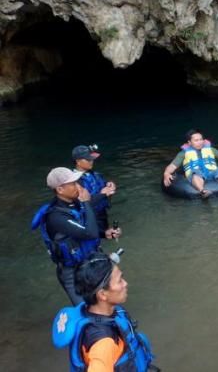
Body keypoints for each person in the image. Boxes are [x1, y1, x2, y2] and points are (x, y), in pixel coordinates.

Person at [52, 252, 158, 371]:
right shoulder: (103, 344)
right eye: (119, 281)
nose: (125, 284)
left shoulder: (93, 311)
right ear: (102, 294)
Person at [31, 168, 122, 305]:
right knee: (85, 308)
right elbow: (88, 233)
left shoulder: (74, 204)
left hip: (91, 264)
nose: (78, 187)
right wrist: (85, 202)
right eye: (73, 184)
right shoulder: (55, 216)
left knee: (105, 303)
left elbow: (82, 230)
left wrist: (105, 233)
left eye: (77, 182)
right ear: (60, 190)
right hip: (72, 272)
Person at [162, 129, 218, 199]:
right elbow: (172, 166)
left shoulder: (211, 150)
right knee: (195, 171)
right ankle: (203, 191)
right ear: (189, 142)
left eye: (201, 139)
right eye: (196, 140)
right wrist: (166, 173)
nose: (200, 142)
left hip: (212, 173)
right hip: (197, 175)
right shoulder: (183, 154)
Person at [73, 145, 116, 231]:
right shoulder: (73, 181)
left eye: (92, 158)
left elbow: (105, 190)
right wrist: (103, 194)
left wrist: (110, 186)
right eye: (88, 159)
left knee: (106, 236)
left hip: (102, 215)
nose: (91, 161)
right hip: (88, 219)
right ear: (78, 161)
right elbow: (82, 204)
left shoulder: (96, 175)